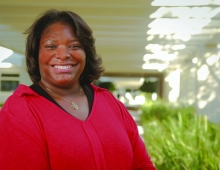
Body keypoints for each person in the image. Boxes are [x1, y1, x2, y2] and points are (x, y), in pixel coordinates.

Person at [0, 9, 156, 170]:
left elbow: (141, 163)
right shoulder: (20, 110)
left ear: (86, 53)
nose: (63, 54)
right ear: (35, 54)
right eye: (51, 46)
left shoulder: (108, 101)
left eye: (74, 45)